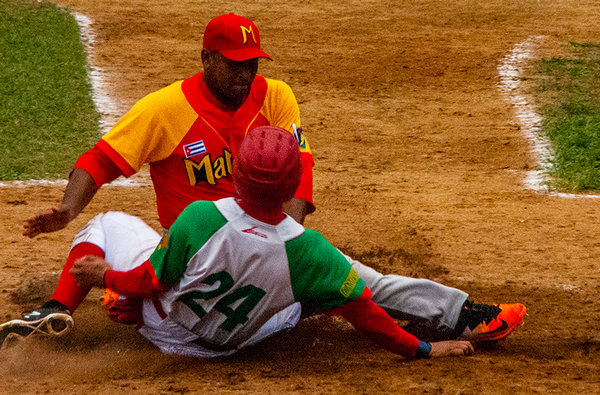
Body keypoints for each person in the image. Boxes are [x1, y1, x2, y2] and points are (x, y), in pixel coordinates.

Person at [20, 13, 523, 342]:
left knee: (356, 278)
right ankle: (56, 314)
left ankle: (463, 315)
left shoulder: (274, 95)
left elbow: (299, 165)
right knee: (349, 280)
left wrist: (286, 235)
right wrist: (67, 206)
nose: (246, 74)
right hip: (194, 251)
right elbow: (103, 161)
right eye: (235, 64)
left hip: (226, 255)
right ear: (207, 59)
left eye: (253, 63)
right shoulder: (166, 109)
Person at [2, 127, 522, 357]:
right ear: (295, 184)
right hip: (236, 345)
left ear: (237, 176)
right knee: (341, 289)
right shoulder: (311, 251)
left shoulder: (199, 217)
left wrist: (109, 283)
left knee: (112, 225)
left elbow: (148, 280)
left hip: (167, 331)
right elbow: (365, 314)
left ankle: (59, 307)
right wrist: (425, 349)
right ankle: (468, 315)